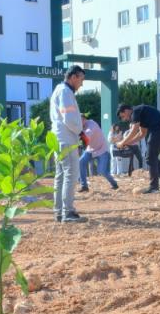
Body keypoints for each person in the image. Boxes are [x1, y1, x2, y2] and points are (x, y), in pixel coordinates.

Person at [50, 66, 86, 223]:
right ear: (73, 77)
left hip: (58, 139)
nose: (81, 84)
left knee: (61, 175)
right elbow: (69, 119)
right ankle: (68, 212)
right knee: (70, 173)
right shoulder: (65, 92)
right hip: (66, 139)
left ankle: (59, 212)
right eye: (81, 79)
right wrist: (81, 133)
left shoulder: (59, 90)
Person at [116, 104, 160, 193]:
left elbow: (134, 130)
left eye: (123, 116)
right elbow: (142, 134)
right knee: (151, 156)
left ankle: (154, 187)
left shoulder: (135, 112)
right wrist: (127, 143)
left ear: (126, 111)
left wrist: (122, 142)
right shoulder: (140, 113)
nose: (125, 119)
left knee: (150, 157)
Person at [79, 117, 118, 192]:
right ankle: (84, 186)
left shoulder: (92, 124)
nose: (77, 122)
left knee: (102, 171)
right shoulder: (80, 126)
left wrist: (78, 134)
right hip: (90, 150)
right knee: (81, 162)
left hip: (102, 150)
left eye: (79, 120)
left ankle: (114, 184)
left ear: (84, 119)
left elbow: (86, 135)